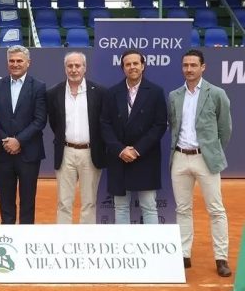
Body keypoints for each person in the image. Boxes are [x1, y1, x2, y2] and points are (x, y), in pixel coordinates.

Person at [169, 49, 232, 277]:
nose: (189, 69)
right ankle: (184, 254)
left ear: (203, 67)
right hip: (179, 157)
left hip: (205, 159)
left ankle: (221, 258)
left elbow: (225, 129)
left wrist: (212, 151)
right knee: (182, 209)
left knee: (216, 209)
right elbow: (173, 125)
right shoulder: (174, 95)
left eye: (193, 65)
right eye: (185, 65)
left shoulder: (216, 93)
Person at [100, 49, 167, 225]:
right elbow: (105, 124)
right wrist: (120, 149)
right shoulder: (112, 93)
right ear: (123, 68)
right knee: (121, 207)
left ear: (143, 66)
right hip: (119, 158)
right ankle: (124, 244)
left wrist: (137, 150)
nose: (132, 67)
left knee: (149, 206)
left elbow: (159, 125)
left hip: (146, 157)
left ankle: (151, 243)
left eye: (136, 63)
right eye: (128, 64)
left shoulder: (156, 92)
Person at [0, 45, 47, 225]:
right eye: (12, 61)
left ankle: (25, 237)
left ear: (28, 63)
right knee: (5, 201)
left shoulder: (38, 87)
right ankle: (8, 234)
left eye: (19, 61)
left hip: (29, 153)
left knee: (28, 201)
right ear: (7, 63)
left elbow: (40, 120)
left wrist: (18, 141)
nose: (15, 64)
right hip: (3, 152)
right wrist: (7, 141)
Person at [46, 51, 107, 224]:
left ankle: (86, 238)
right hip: (65, 152)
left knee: (89, 201)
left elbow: (103, 122)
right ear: (65, 68)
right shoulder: (53, 93)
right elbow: (54, 123)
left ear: (84, 68)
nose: (74, 69)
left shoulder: (99, 92)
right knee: (64, 202)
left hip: (91, 152)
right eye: (70, 66)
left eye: (77, 65)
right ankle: (64, 237)